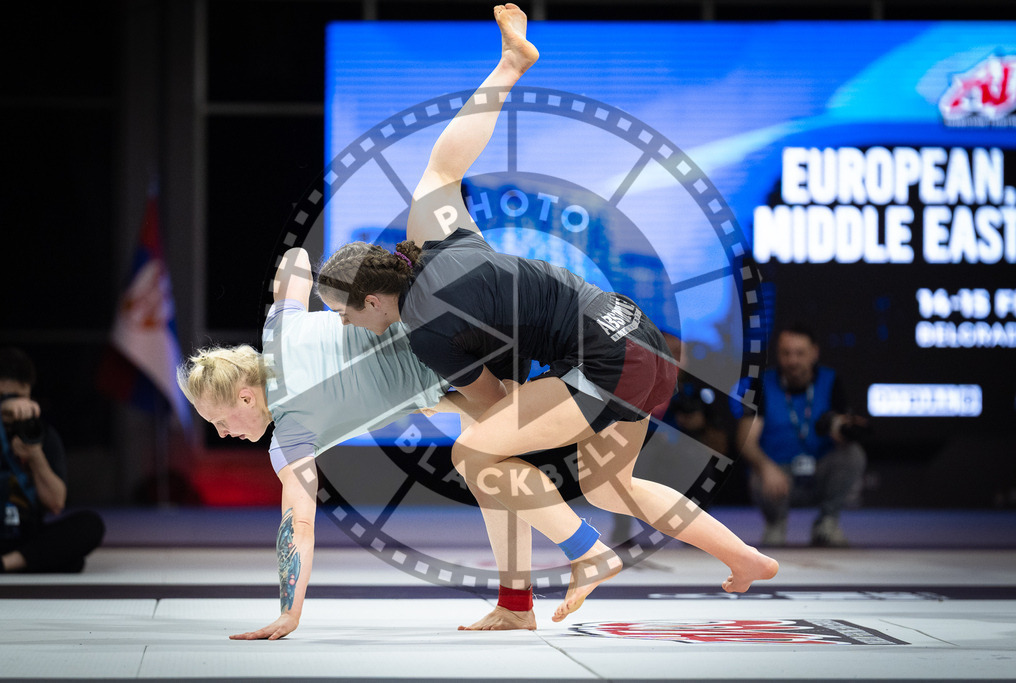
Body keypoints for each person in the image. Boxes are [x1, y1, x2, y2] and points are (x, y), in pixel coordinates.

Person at [316, 3, 778, 624]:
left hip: (605, 361)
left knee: (474, 456)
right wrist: (507, 68)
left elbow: (491, 410)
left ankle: (587, 554)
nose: (344, 326)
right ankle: (744, 559)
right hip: (636, 333)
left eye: (343, 314)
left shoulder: (427, 330)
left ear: (373, 299)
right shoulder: (433, 236)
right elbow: (447, 160)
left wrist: (426, 405)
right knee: (609, 485)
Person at [177, 246, 538, 638]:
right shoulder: (278, 329)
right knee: (482, 452)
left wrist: (289, 614)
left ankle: (548, 578)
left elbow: (299, 526)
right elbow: (296, 258)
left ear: (246, 397)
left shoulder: (290, 438)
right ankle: (521, 601)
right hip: (468, 318)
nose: (222, 433)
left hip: (469, 356)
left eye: (219, 421)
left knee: (487, 463)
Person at [737, 323, 868, 547]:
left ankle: (827, 523)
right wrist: (766, 467)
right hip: (780, 473)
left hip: (819, 470)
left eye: (800, 353)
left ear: (814, 353)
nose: (793, 361)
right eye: (786, 353)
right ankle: (775, 523)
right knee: (759, 473)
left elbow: (840, 429)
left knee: (853, 454)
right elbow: (745, 442)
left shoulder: (830, 380)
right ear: (778, 354)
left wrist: (845, 430)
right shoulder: (761, 384)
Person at [1, 347, 105, 573]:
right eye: (4, 398)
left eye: (18, 398)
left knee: (89, 525)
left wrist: (35, 455)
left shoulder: (40, 433)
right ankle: (30, 562)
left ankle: (8, 563)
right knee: (70, 563)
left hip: (25, 537)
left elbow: (56, 504)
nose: (14, 406)